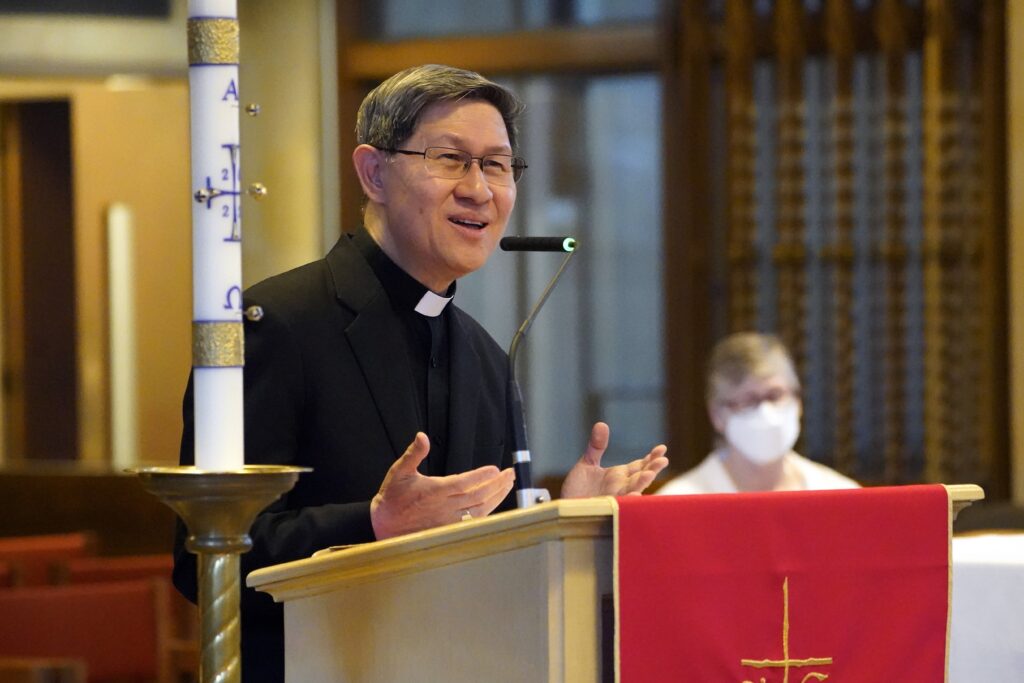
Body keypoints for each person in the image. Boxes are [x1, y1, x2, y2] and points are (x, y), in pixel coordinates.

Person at [172, 64, 668, 682]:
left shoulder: (488, 359)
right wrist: (373, 525)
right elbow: (203, 563)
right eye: (450, 159)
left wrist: (557, 526)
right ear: (374, 173)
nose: (480, 190)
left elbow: (484, 567)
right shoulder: (275, 326)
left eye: (497, 165)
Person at [656, 332, 857, 495]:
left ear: (798, 401)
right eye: (748, 400)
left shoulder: (840, 494)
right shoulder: (679, 500)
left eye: (775, 395)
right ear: (717, 415)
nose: (765, 412)